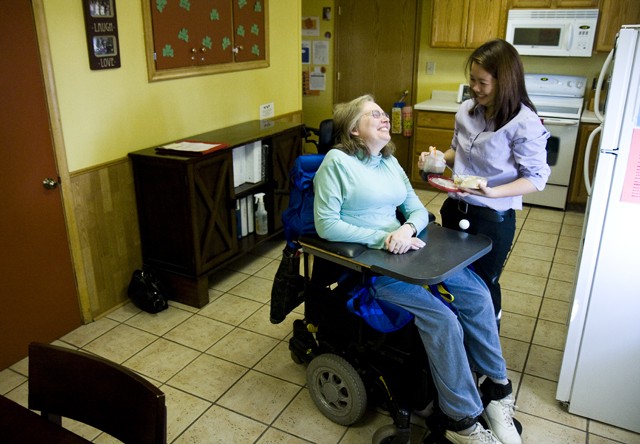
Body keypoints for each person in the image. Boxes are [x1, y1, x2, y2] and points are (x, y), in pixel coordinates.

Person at [313, 94, 521, 444]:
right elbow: (326, 225)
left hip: (408, 250)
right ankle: (461, 422)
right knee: (443, 318)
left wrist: (407, 230)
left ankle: (497, 388)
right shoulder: (337, 162)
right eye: (373, 114)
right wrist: (383, 238)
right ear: (354, 128)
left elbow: (418, 211)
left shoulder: (389, 162)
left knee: (477, 294)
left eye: (383, 113)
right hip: (372, 265)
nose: (383, 118)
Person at [419, 39, 550, 327]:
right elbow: (458, 151)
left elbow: (537, 178)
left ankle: (488, 351)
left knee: (484, 285)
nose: (475, 89)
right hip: (455, 208)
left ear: (505, 82)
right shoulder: (467, 110)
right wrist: (439, 159)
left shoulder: (523, 122)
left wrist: (493, 192)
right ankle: (458, 336)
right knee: (453, 279)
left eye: (483, 83)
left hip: (493, 218)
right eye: (472, 80)